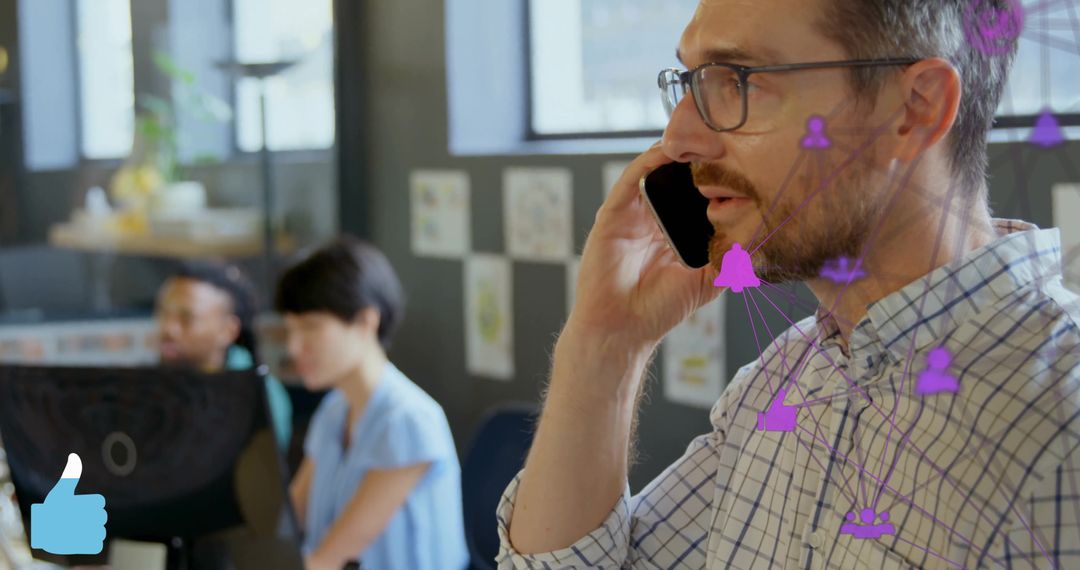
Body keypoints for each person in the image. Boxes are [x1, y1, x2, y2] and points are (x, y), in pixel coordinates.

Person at [498, 1, 1080, 568]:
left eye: (737, 81)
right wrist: (607, 342)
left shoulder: (1061, 429)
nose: (678, 139)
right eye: (694, 82)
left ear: (915, 108)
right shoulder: (786, 381)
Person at [276, 236, 468, 570]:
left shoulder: (408, 420)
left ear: (366, 321)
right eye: (290, 329)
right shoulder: (335, 410)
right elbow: (287, 522)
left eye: (310, 327)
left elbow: (331, 559)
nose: (294, 347)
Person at [155, 261, 293, 451]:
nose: (168, 328)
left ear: (228, 331)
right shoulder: (154, 385)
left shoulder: (260, 396)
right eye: (163, 313)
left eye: (186, 318)